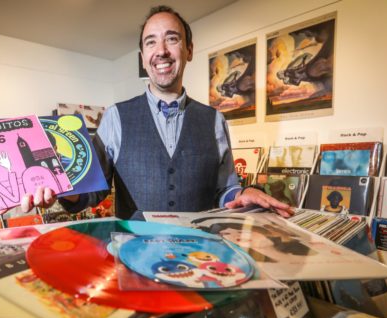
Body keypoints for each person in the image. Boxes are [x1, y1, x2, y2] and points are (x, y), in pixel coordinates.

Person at [21, 5, 292, 219]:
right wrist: (62, 192)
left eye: (171, 39)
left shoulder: (214, 121)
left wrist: (246, 192)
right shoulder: (115, 117)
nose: (160, 51)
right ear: (142, 57)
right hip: (133, 259)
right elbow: (94, 190)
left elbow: (225, 190)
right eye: (150, 42)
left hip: (200, 258)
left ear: (189, 50)